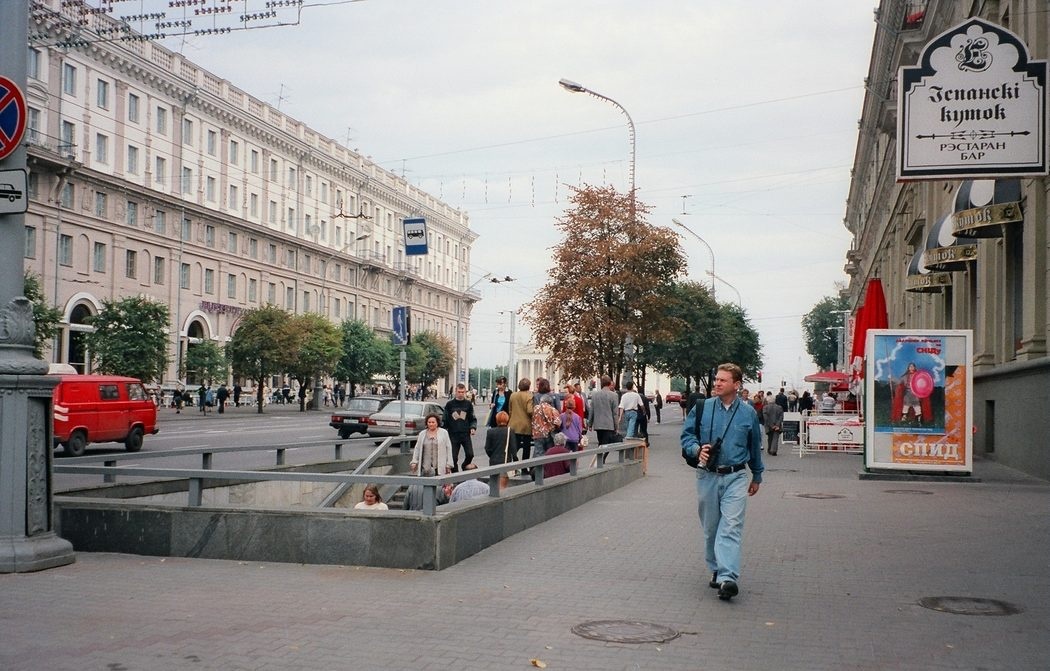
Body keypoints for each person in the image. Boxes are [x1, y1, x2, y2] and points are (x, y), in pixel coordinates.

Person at [680, 362, 764, 602]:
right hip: (707, 475)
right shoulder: (702, 408)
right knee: (711, 529)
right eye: (716, 379)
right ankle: (716, 567)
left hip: (736, 476)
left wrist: (757, 475)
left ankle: (728, 577)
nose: (716, 383)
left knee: (731, 526)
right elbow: (687, 437)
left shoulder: (748, 413)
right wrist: (697, 450)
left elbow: (754, 447)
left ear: (736, 385)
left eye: (722, 380)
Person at [444, 383, 477, 471]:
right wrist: (443, 431)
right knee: (453, 458)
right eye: (459, 392)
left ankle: (464, 467)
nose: (461, 394)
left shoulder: (468, 404)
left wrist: (473, 427)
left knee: (470, 454)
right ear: (455, 391)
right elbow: (445, 419)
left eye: (463, 392)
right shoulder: (449, 404)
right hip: (453, 434)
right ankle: (456, 475)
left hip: (465, 434)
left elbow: (472, 418)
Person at [588, 375, 620, 463]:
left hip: (598, 424)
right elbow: (615, 413)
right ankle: (601, 461)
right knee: (607, 444)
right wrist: (616, 426)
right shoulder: (614, 395)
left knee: (601, 443)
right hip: (608, 424)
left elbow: (592, 410)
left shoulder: (595, 395)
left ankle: (599, 460)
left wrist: (590, 424)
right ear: (610, 383)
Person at [507, 378, 534, 466]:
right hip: (526, 425)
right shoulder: (529, 396)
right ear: (528, 387)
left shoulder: (513, 395)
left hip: (513, 424)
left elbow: (510, 410)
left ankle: (512, 459)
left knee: (515, 445)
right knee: (526, 447)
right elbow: (530, 411)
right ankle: (524, 467)